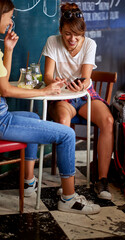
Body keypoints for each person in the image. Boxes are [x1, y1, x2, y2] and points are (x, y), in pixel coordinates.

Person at [0, 0, 100, 215]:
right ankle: (68, 199)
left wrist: (8, 49)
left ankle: (28, 184)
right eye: (9, 17)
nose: (11, 21)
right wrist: (44, 91)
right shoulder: (52, 43)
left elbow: (3, 82)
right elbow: (6, 90)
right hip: (1, 119)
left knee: (34, 117)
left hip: (3, 113)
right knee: (66, 135)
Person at [43, 2, 114, 200]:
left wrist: (81, 85)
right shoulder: (52, 41)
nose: (72, 39)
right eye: (67, 34)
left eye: (77, 35)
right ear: (60, 31)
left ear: (83, 33)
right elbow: (47, 75)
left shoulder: (90, 44)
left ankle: (102, 180)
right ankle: (68, 182)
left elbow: (86, 77)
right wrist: (54, 81)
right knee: (64, 125)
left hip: (84, 94)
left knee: (108, 121)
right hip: (61, 96)